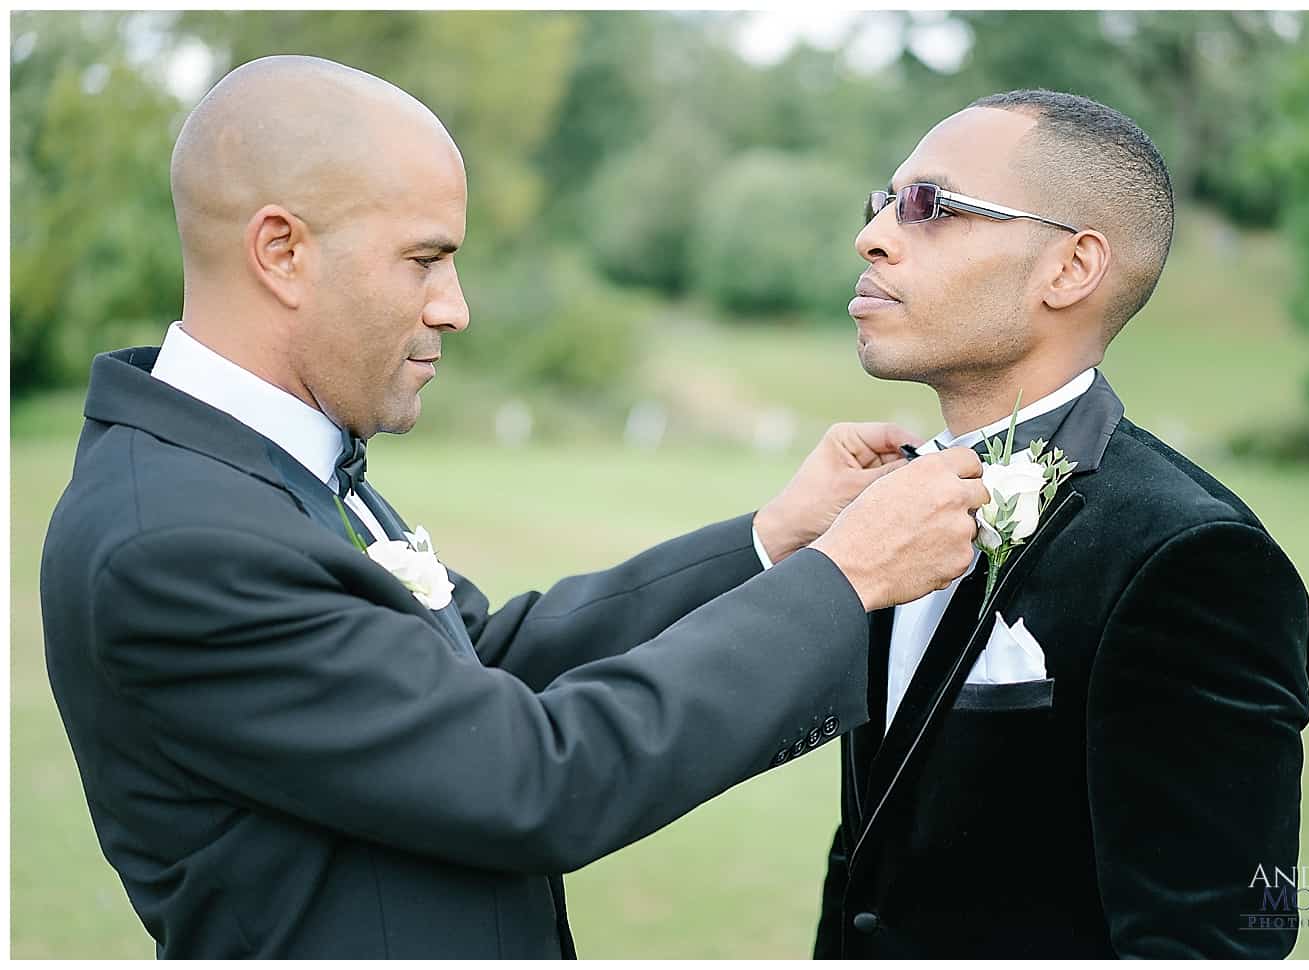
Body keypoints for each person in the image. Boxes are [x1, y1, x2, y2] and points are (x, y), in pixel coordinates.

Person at [39, 56, 994, 959]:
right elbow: (533, 777)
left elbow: (481, 664)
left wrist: (774, 542)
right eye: (424, 260)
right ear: (282, 251)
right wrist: (844, 579)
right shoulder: (175, 541)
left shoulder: (261, 465)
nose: (454, 307)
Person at [811, 90, 1309, 958]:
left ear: (1071, 269)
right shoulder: (889, 505)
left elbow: (1204, 940)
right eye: (883, 202)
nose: (875, 234)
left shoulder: (1192, 560)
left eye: (930, 204)